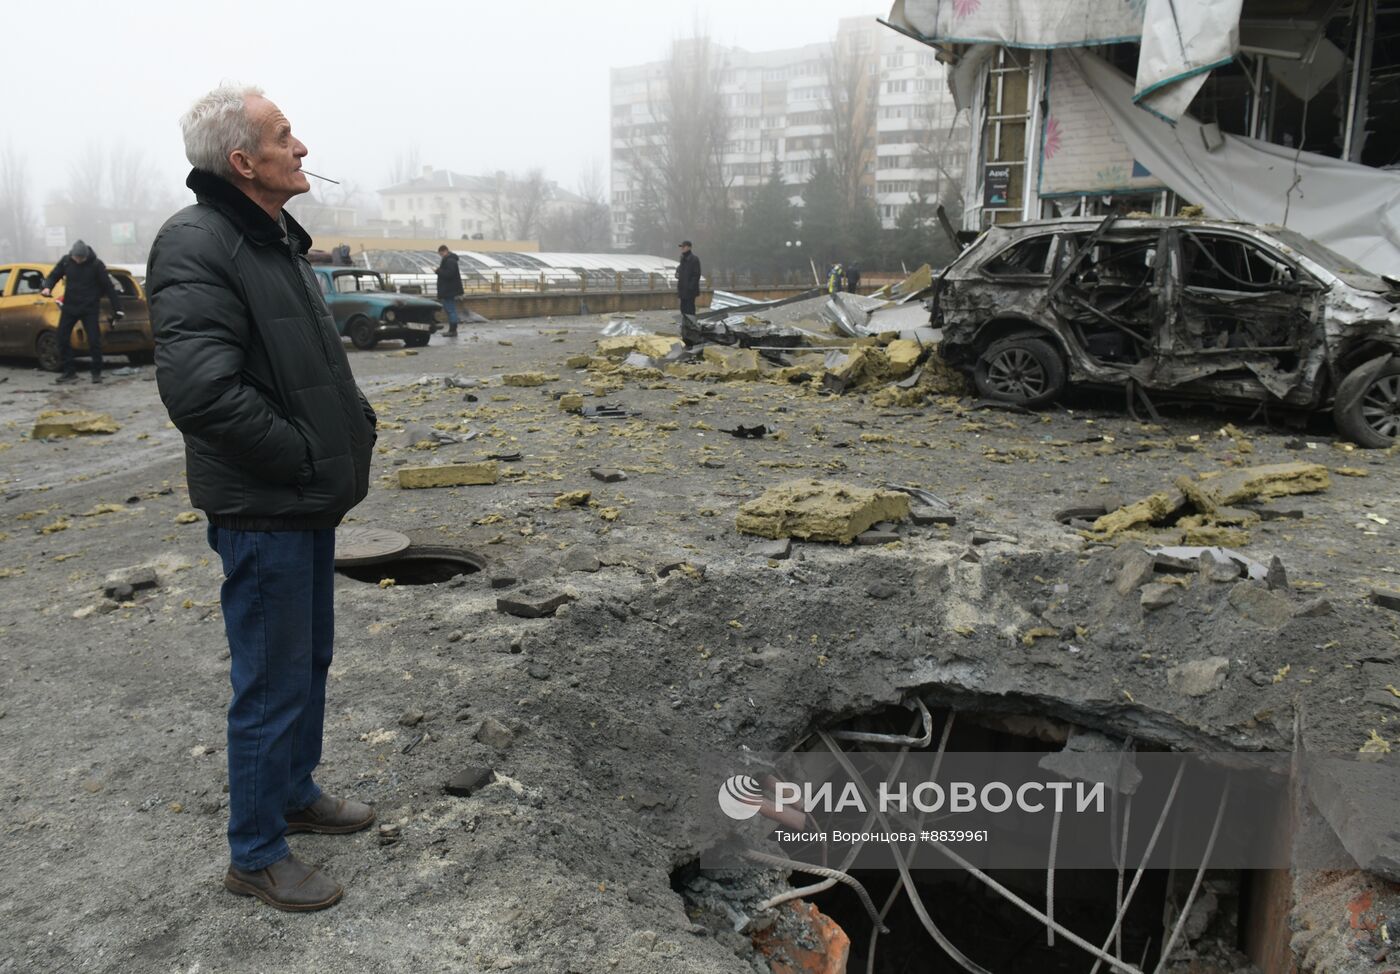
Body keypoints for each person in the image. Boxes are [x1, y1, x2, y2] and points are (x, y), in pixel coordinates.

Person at [147, 84, 379, 912]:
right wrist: (305, 458)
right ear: (243, 161)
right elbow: (203, 394)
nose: (302, 147)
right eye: (285, 136)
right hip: (263, 505)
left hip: (302, 499)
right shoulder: (196, 243)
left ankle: (292, 792)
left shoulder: (273, 239)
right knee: (271, 680)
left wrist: (354, 425)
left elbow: (309, 363)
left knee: (306, 661)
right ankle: (254, 853)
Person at [41, 240, 124, 384]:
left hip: (89, 308)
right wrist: (48, 287)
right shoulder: (66, 261)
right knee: (61, 337)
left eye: (81, 258)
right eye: (76, 258)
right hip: (70, 306)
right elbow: (54, 275)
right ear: (72, 255)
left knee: (94, 340)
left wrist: (118, 308)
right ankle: (69, 372)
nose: (78, 260)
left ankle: (96, 373)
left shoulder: (96, 265)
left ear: (86, 255)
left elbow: (108, 287)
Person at [435, 244, 463, 337]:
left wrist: (438, 271)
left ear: (445, 251)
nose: (441, 256)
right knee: (450, 310)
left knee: (451, 310)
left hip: (448, 290)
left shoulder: (450, 261)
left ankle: (453, 330)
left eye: (441, 254)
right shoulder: (450, 260)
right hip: (449, 289)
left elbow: (449, 274)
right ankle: (452, 330)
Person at [675, 240, 701, 319]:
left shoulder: (694, 259)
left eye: (684, 246)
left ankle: (691, 323)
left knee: (690, 308)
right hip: (682, 289)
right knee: (683, 308)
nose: (682, 248)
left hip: (690, 290)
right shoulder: (682, 258)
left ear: (689, 247)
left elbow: (696, 274)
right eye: (681, 247)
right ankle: (685, 323)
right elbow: (680, 271)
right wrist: (677, 273)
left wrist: (690, 287)